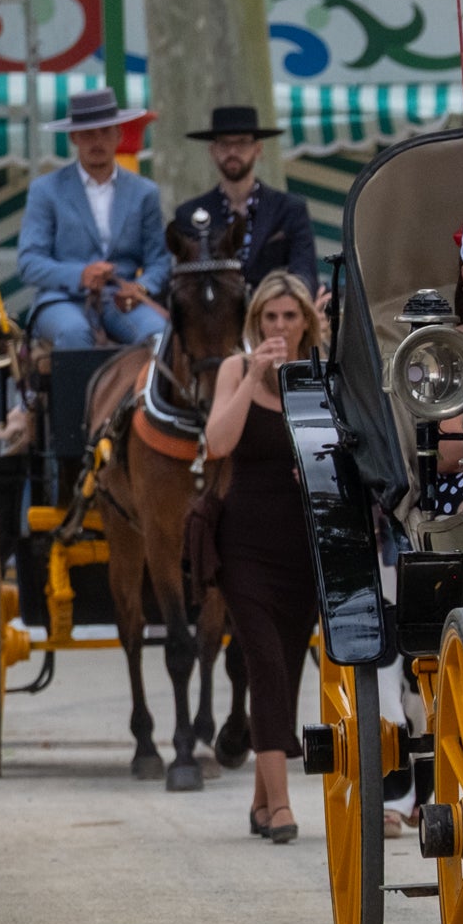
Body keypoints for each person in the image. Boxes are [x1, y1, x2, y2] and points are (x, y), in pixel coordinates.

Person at [202, 271, 327, 843]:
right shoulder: (236, 369)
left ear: (307, 321)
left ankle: (258, 801)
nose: (279, 326)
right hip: (244, 540)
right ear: (257, 323)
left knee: (289, 667)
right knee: (266, 666)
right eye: (270, 318)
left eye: (289, 317)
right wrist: (252, 375)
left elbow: (343, 443)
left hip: (304, 541)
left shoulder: (320, 374)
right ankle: (281, 807)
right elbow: (216, 443)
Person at [17, 86, 170, 350]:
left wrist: (141, 288)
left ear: (118, 135)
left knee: (158, 333)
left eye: (105, 132)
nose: (96, 141)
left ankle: (147, 393)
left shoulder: (145, 192)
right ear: (74, 137)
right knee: (74, 333)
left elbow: (160, 260)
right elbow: (29, 262)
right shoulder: (46, 190)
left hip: (124, 300)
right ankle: (74, 393)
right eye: (88, 134)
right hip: (62, 299)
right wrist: (80, 274)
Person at [171, 105, 318, 288]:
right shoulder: (190, 215)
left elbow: (304, 272)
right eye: (224, 143)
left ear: (258, 149)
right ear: (213, 151)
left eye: (241, 143)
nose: (232, 152)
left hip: (273, 311)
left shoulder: (290, 209)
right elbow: (185, 282)